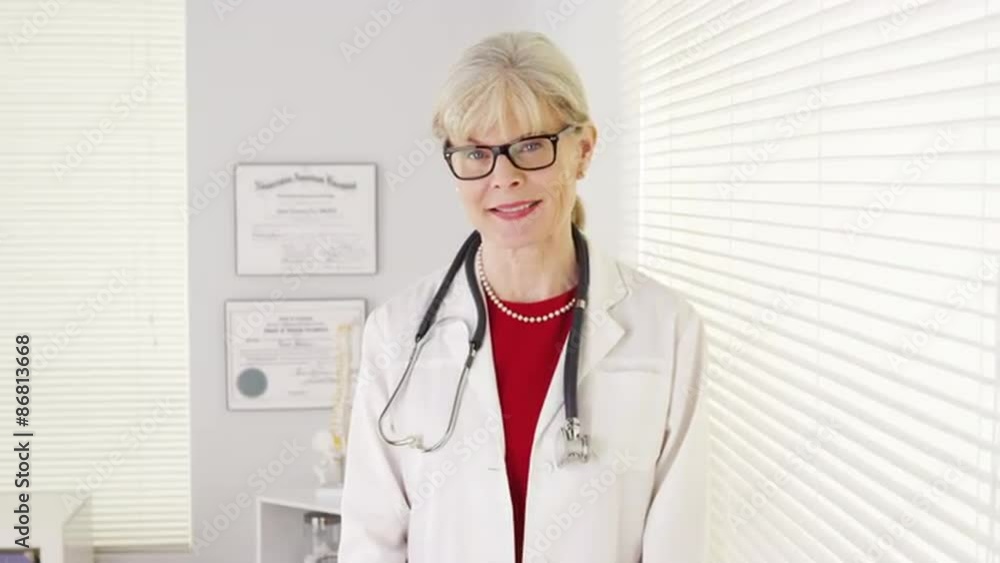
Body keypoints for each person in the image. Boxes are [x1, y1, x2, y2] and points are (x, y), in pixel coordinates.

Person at [338, 30, 708, 563]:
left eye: (531, 146)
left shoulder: (666, 327)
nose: (504, 177)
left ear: (583, 150)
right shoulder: (396, 333)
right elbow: (370, 541)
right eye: (476, 153)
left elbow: (679, 540)